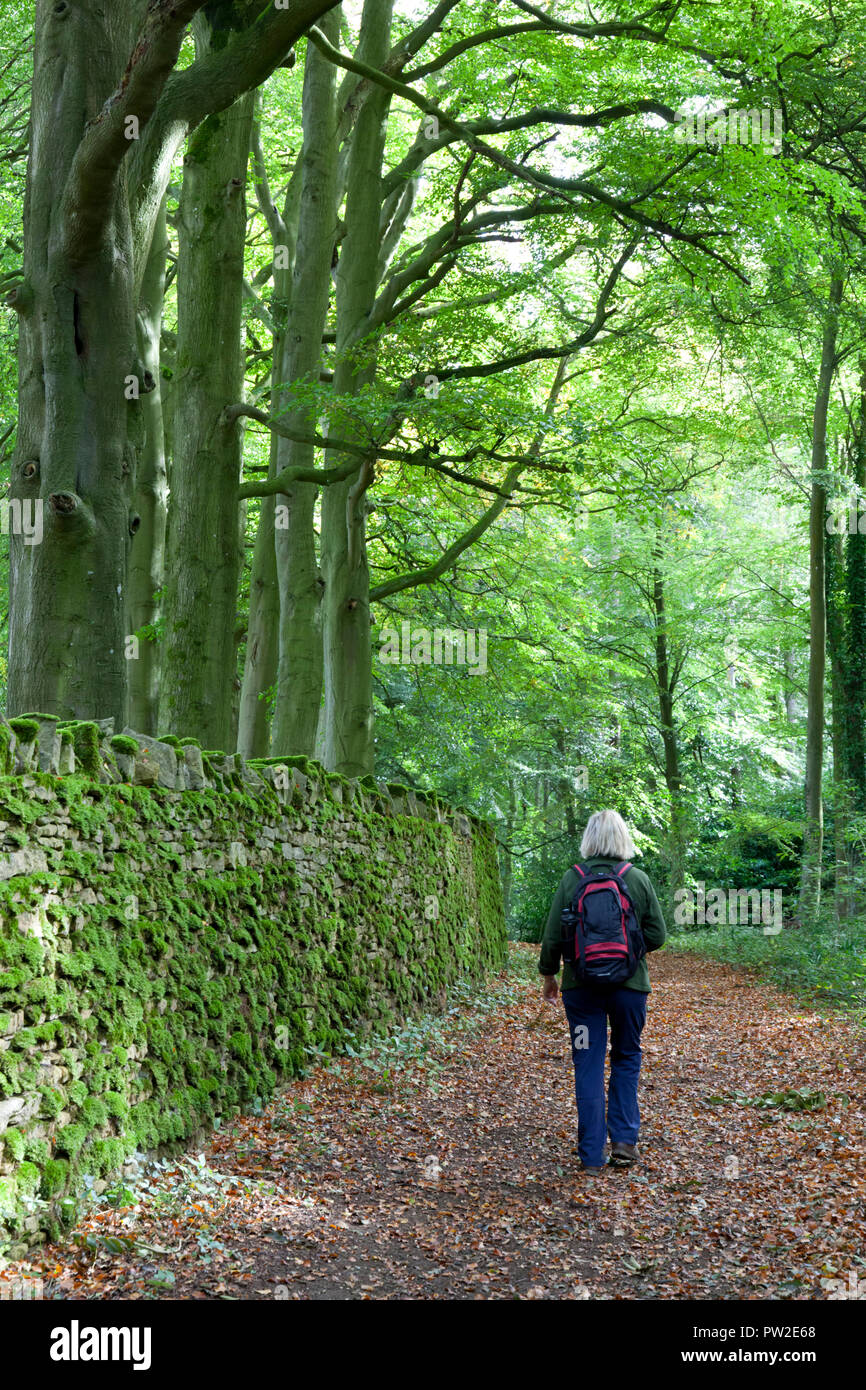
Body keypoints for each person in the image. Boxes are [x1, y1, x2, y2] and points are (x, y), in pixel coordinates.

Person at [538, 808, 667, 1175]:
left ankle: (591, 1155)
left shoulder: (571, 880)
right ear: (623, 837)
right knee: (626, 1056)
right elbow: (657, 935)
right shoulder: (637, 879)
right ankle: (624, 1142)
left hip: (581, 993)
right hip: (629, 991)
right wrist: (629, 951)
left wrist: (549, 975)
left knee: (588, 1061)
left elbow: (551, 936)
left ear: (589, 839)